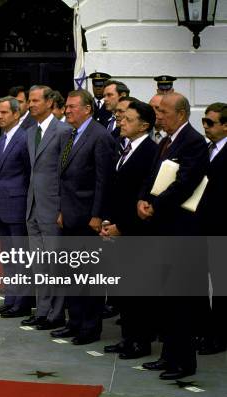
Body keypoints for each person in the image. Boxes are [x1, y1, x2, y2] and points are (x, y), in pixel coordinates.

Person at [137, 92, 208, 380]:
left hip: (179, 232)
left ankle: (183, 362)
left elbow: (185, 183)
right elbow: (151, 177)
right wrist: (141, 199)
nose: (159, 116)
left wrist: (154, 205)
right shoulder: (165, 141)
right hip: (160, 230)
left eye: (164, 112)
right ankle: (168, 356)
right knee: (165, 298)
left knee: (180, 300)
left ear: (181, 113)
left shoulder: (192, 142)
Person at [51, 89, 114, 345]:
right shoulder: (72, 134)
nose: (67, 110)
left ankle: (90, 328)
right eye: (66, 106)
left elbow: (103, 180)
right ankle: (74, 322)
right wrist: (62, 211)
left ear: (88, 109)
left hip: (89, 219)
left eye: (72, 106)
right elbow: (65, 175)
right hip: (70, 216)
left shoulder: (99, 136)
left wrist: (98, 214)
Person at [101, 100, 158, 359]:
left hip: (135, 232)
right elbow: (117, 190)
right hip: (117, 228)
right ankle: (128, 338)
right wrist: (108, 220)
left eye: (128, 119)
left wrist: (122, 227)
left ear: (144, 125)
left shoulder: (150, 151)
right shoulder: (126, 148)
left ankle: (140, 342)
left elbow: (142, 196)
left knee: (138, 293)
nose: (121, 121)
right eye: (122, 118)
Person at [22, 85, 71, 330]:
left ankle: (57, 313)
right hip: (33, 207)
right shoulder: (31, 132)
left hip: (53, 208)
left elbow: (66, 174)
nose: (30, 105)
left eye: (35, 101)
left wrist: (63, 208)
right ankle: (42, 311)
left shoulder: (64, 131)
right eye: (29, 101)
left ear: (50, 102)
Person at [0, 96, 31, 319]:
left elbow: (29, 173)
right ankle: (11, 300)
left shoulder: (24, 139)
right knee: (9, 257)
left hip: (18, 205)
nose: (0, 117)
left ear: (16, 114)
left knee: (21, 257)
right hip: (2, 205)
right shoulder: (0, 140)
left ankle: (22, 303)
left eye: (4, 112)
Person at [196, 102, 227, 356]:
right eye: (204, 122)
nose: (205, 126)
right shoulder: (206, 149)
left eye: (210, 123)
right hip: (202, 223)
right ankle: (206, 330)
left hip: (221, 225)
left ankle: (218, 336)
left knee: (221, 286)